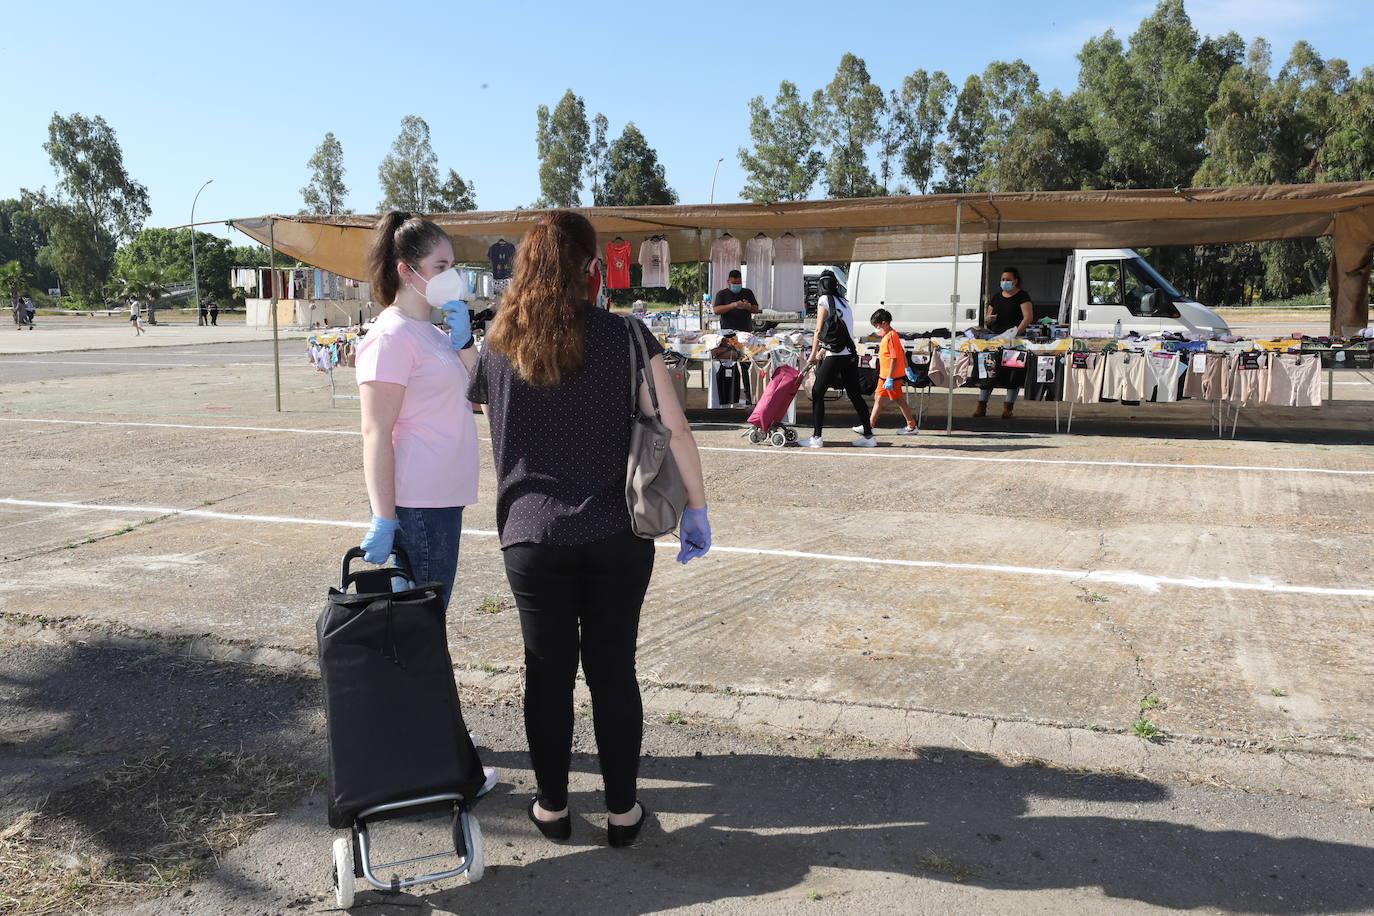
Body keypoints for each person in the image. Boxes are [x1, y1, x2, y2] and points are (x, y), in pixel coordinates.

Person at [468, 210, 710, 848]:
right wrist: (697, 508)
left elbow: (477, 410)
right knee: (612, 670)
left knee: (545, 674)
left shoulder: (498, 344)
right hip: (617, 533)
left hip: (530, 536)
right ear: (593, 272)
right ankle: (624, 812)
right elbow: (674, 429)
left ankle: (551, 807)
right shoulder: (628, 337)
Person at [355, 211, 478, 613]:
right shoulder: (390, 336)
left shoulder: (432, 332)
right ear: (407, 272)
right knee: (418, 625)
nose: (451, 276)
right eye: (440, 267)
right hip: (419, 504)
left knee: (425, 621)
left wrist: (465, 345)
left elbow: (483, 396)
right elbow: (376, 432)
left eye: (453, 266)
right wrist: (384, 517)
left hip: (443, 498)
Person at [801, 271, 874, 448]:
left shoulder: (824, 300)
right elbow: (839, 331)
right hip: (849, 354)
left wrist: (812, 354)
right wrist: (822, 351)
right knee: (855, 395)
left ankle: (816, 438)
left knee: (817, 393)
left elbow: (818, 330)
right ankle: (869, 437)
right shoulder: (845, 303)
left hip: (835, 356)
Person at [975, 267, 1034, 419]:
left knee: (1013, 374)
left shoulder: (1023, 296)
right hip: (994, 339)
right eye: (1003, 279)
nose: (1005, 282)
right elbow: (988, 316)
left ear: (1015, 281)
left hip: (1015, 342)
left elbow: (1027, 317)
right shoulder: (996, 297)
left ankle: (1008, 409)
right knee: (988, 372)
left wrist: (1016, 333)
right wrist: (989, 319)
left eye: (1008, 279)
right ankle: (981, 406)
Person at [857, 309, 917, 435]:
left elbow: (894, 357)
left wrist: (890, 378)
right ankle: (869, 425)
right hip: (885, 376)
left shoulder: (890, 336)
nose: (876, 329)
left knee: (899, 400)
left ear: (884, 323)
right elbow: (901, 352)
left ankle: (911, 426)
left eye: (877, 326)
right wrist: (907, 368)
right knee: (878, 398)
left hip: (890, 376)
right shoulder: (890, 335)